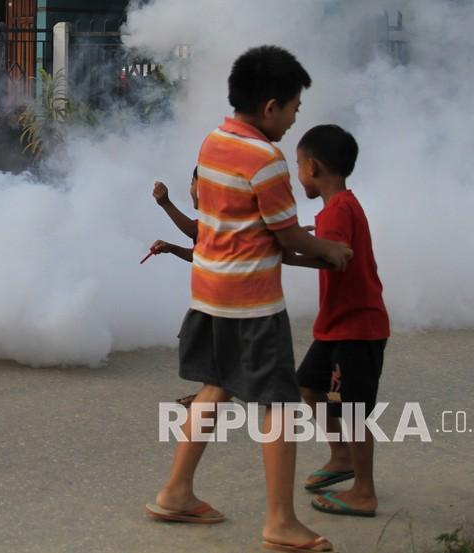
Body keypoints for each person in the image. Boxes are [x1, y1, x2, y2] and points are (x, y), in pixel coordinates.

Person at [145, 45, 353, 553]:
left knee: (215, 388)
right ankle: (281, 522)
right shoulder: (267, 159)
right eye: (293, 109)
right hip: (250, 303)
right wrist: (329, 248)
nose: (293, 120)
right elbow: (285, 236)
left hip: (209, 291)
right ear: (270, 107)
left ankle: (175, 493)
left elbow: (242, 221)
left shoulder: (214, 141)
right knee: (280, 406)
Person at [292, 125, 390, 518]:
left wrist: (283, 253)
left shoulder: (337, 211)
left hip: (356, 329)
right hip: (336, 326)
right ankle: (341, 456)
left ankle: (364, 492)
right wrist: (300, 240)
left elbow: (336, 255)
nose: (298, 173)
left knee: (353, 411)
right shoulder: (339, 207)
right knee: (309, 386)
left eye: (298, 165)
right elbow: (331, 248)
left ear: (312, 166)